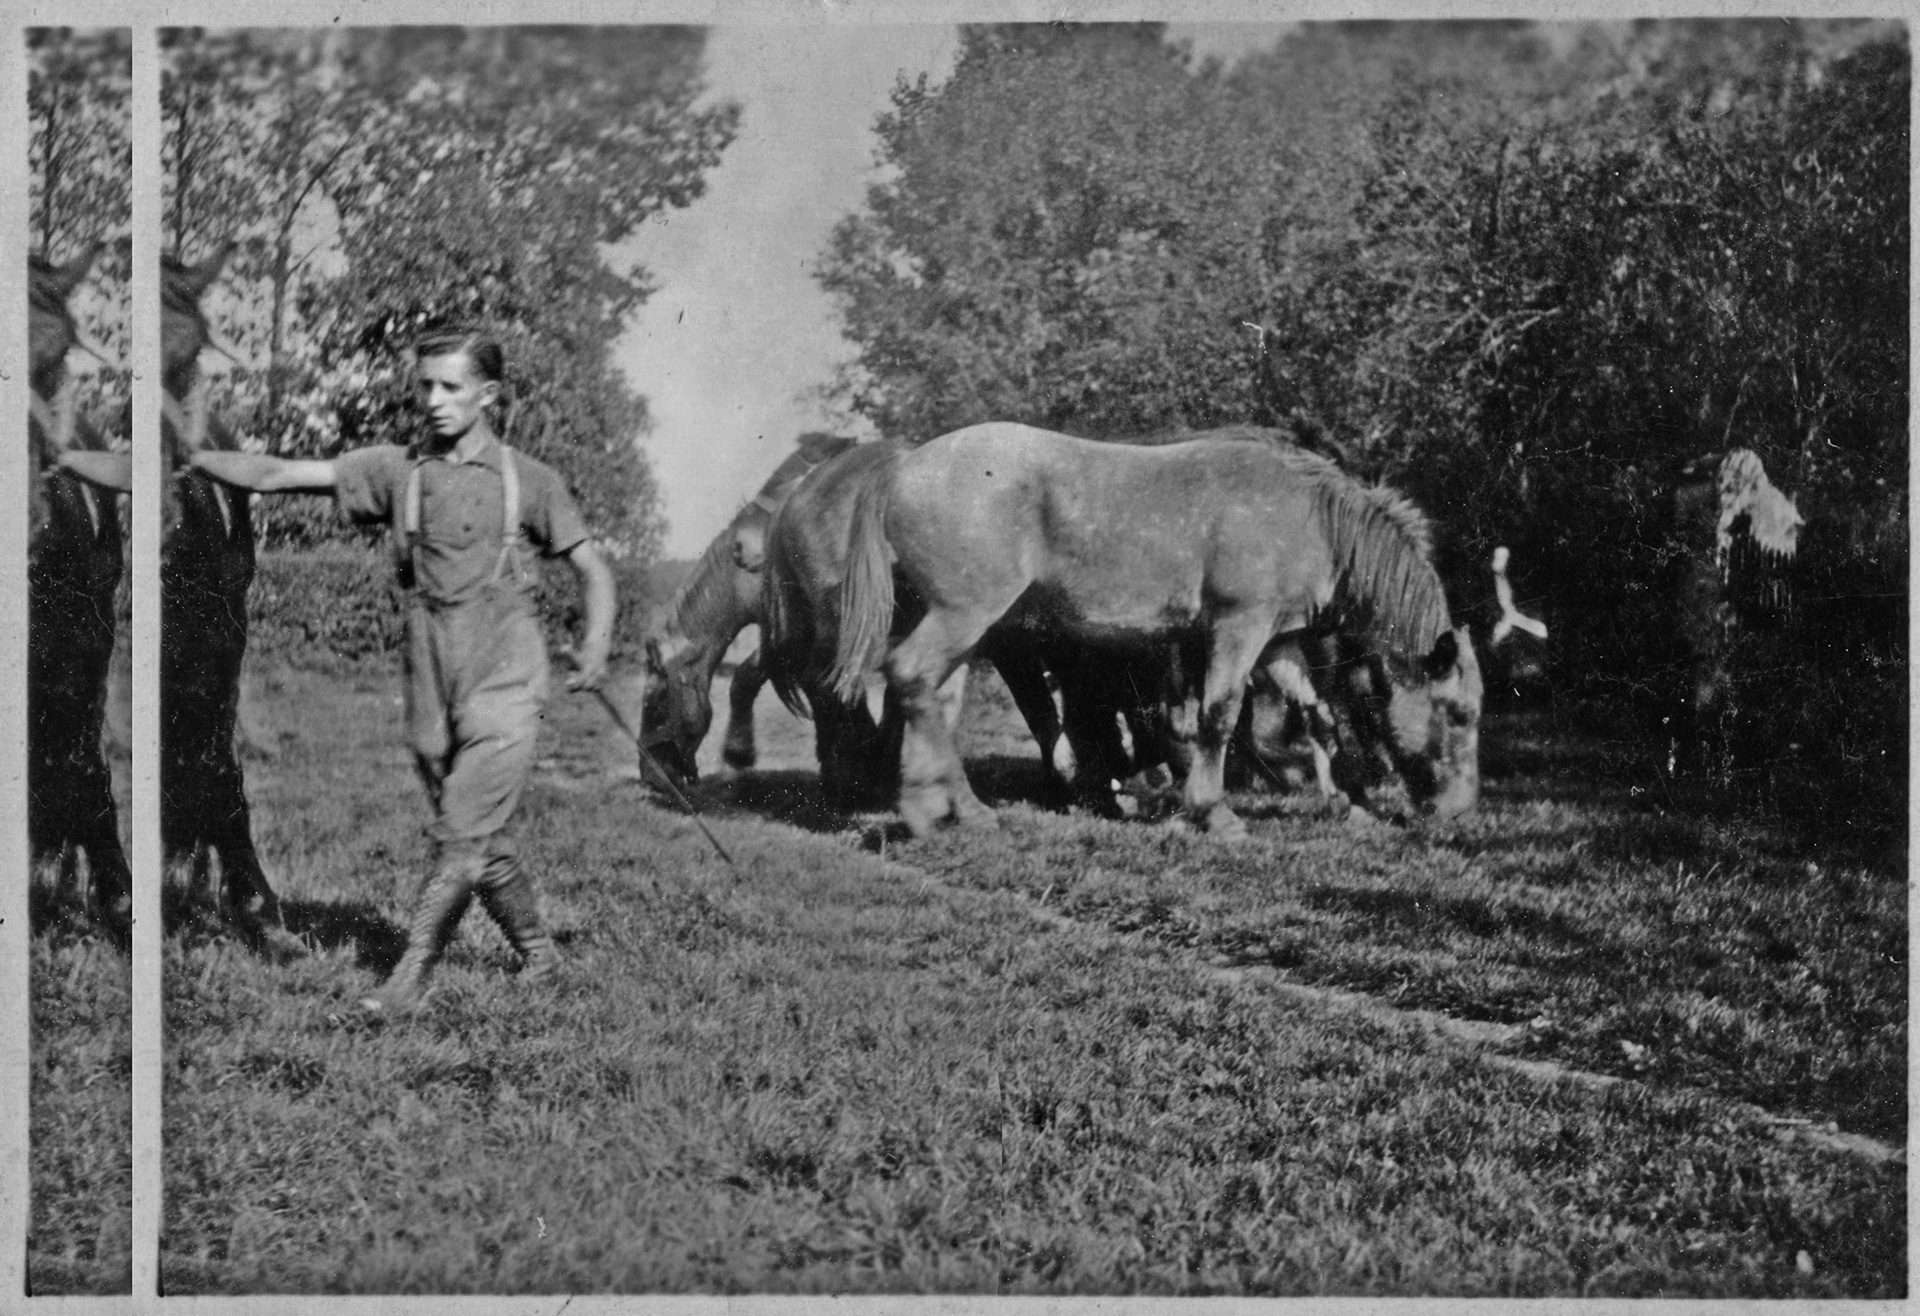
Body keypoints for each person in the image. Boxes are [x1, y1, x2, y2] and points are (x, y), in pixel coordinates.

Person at [193, 326, 616, 1015]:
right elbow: (275, 474)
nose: (434, 400)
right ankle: (540, 954)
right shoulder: (396, 469)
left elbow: (592, 569)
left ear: (488, 394)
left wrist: (596, 644)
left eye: (451, 387)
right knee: (477, 828)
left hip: (507, 669)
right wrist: (189, 457)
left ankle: (407, 978)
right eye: (424, 386)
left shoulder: (530, 480)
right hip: (427, 671)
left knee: (461, 828)